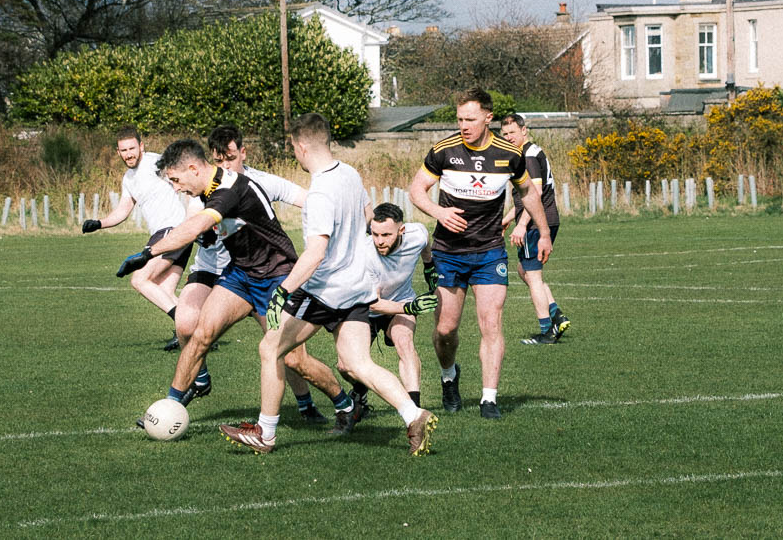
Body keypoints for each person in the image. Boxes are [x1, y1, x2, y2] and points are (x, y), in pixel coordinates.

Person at [219, 113, 438, 456]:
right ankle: (414, 415)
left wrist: (283, 290)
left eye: (293, 148)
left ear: (302, 146)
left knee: (270, 348)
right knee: (358, 363)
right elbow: (368, 219)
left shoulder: (320, 192)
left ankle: (266, 433)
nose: (295, 154)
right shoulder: (350, 174)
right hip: (357, 288)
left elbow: (316, 253)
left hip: (324, 291)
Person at [116, 138, 350, 425]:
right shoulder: (207, 188)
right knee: (201, 334)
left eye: (176, 180)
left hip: (276, 276)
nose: (176, 188)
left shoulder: (229, 189)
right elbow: (218, 228)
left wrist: (148, 253)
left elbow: (195, 226)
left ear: (192, 168)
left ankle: (344, 403)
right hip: (241, 274)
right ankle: (170, 405)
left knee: (292, 359)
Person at [408, 87, 553, 420]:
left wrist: (543, 233)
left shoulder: (509, 154)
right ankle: (449, 376)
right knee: (445, 330)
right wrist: (437, 212)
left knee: (491, 325)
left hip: (489, 252)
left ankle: (489, 398)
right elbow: (416, 189)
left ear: (488, 117)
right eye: (459, 119)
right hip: (449, 252)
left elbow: (529, 193)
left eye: (470, 119)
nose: (464, 125)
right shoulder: (443, 151)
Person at [172, 125, 329, 422]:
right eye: (218, 160)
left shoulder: (262, 182)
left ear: (243, 152)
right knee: (185, 324)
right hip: (214, 268)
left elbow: (310, 200)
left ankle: (307, 404)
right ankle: (195, 382)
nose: (225, 166)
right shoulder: (202, 189)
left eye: (230, 158)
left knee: (286, 351)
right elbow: (192, 226)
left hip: (261, 272)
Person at [81, 126, 190, 342]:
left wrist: (195, 216)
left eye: (132, 148)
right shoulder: (128, 179)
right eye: (124, 150)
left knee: (139, 279)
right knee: (163, 288)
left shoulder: (155, 162)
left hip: (172, 231)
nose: (129, 154)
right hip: (168, 233)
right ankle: (194, 330)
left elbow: (184, 180)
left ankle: (190, 328)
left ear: (141, 146)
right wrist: (99, 223)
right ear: (118, 152)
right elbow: (123, 210)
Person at [342, 202, 438, 422]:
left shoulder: (417, 234)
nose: (379, 241)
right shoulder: (366, 254)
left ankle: (415, 412)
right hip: (366, 308)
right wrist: (410, 307)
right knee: (345, 365)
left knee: (404, 342)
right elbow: (374, 303)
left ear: (401, 230)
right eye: (375, 234)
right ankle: (361, 389)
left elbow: (425, 245)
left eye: (386, 234)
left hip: (401, 299)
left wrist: (429, 266)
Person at [499, 114, 570, 345]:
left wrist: (521, 224)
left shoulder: (528, 156)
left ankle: (547, 331)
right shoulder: (530, 152)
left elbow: (535, 195)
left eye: (512, 133)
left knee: (533, 275)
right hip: (544, 220)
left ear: (524, 131)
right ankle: (556, 315)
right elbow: (525, 199)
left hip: (536, 223)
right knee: (524, 270)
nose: (508, 137)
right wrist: (509, 218)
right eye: (505, 134)